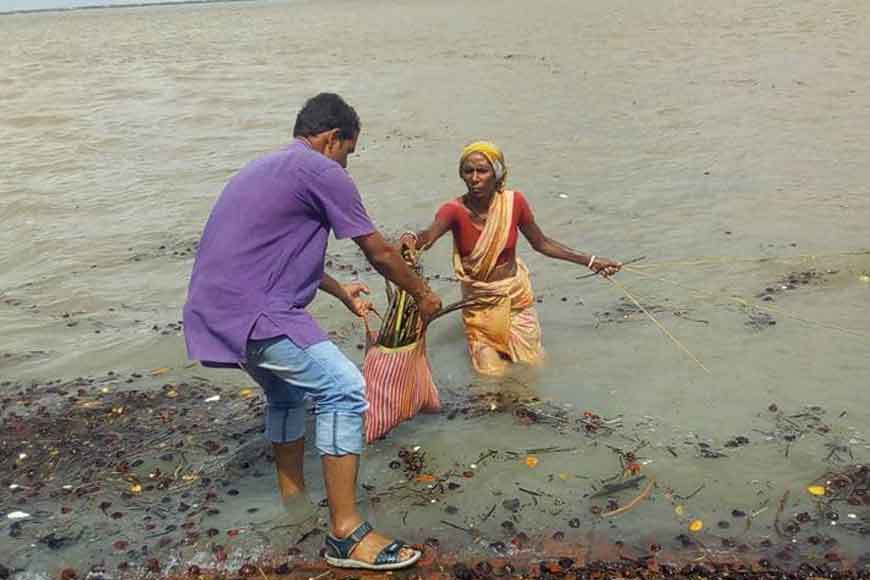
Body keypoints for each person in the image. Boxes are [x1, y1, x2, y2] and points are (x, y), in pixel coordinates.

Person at [183, 93, 441, 571]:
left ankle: (293, 504)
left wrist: (340, 289)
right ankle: (345, 533)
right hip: (258, 310)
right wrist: (425, 295)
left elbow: (268, 246)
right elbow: (381, 252)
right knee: (346, 390)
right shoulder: (323, 171)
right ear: (331, 140)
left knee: (285, 398)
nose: (347, 165)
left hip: (216, 309)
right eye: (348, 152)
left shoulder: (264, 168)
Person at [401, 141, 621, 376]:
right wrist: (411, 239)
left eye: (482, 171)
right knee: (490, 375)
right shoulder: (454, 210)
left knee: (533, 366)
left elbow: (542, 243)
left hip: (516, 299)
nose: (475, 178)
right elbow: (429, 234)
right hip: (479, 303)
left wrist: (591, 261)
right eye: (468, 171)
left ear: (496, 174)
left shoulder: (514, 203)